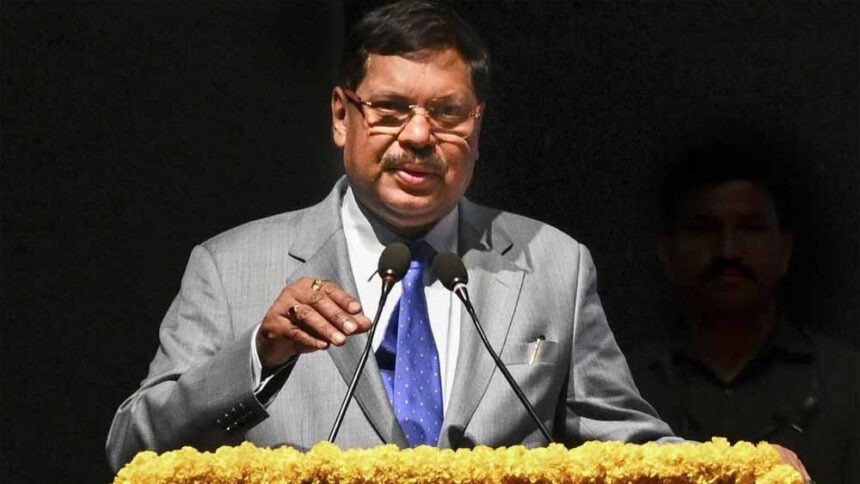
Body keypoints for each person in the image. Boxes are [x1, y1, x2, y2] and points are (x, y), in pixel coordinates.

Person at [106, 2, 806, 477]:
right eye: (390, 110)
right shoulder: (232, 266)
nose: (418, 136)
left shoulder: (553, 265)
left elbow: (626, 445)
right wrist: (260, 355)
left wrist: (739, 469)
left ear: (478, 126)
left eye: (446, 113)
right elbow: (132, 450)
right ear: (341, 117)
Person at [628, 142, 858, 483]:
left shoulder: (848, 385)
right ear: (667, 253)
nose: (728, 251)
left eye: (750, 227)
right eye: (704, 228)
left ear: (785, 250)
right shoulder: (625, 390)